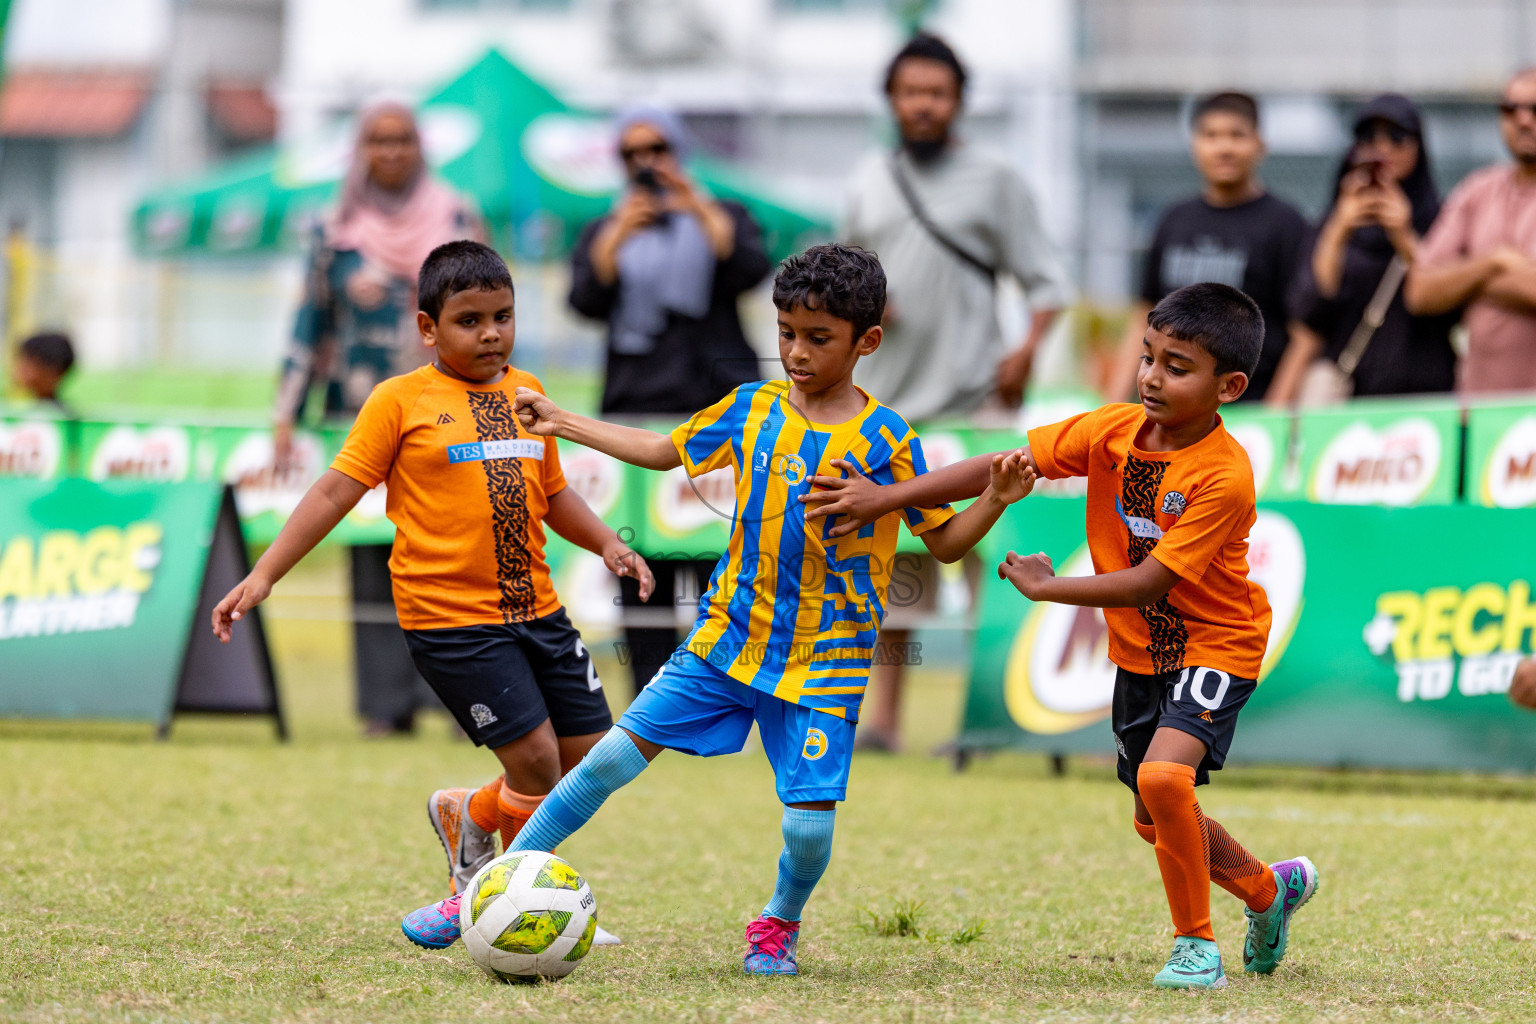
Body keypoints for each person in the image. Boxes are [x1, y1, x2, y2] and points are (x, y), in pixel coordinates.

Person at [399, 243, 1037, 975]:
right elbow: (664, 450)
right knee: (608, 758)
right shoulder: (752, 407)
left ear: (868, 342)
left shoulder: (890, 440)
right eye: (786, 332)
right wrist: (564, 423)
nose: (796, 352)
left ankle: (778, 923)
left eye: (817, 338)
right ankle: (484, 888)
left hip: (828, 660)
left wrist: (993, 497)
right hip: (727, 638)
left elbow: (947, 543)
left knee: (806, 830)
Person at [803, 283, 1319, 990]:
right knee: (1153, 817)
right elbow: (1001, 467)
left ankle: (1195, 948)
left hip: (1216, 644)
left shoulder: (1224, 476)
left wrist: (1050, 590)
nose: (1151, 377)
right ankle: (1266, 891)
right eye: (1148, 357)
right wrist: (884, 495)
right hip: (1140, 654)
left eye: (1176, 366)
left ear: (1229, 386)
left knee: (1164, 777)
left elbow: (1147, 585)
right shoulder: (1110, 429)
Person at [212, 241, 650, 946]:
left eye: (503, 317)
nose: (490, 334)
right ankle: (503, 898)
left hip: (537, 612)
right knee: (536, 763)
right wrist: (263, 574)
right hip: (452, 621)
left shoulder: (527, 390)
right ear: (427, 328)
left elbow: (555, 492)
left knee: (590, 758)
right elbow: (332, 491)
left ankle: (470, 815)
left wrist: (608, 543)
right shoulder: (399, 401)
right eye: (469, 321)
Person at [842, 33, 1071, 750]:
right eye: (911, 92)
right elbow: (837, 283)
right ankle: (884, 721)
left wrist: (1024, 354)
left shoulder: (996, 180)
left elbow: (1047, 283)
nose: (924, 105)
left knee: (983, 559)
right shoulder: (866, 181)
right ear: (892, 100)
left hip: (973, 401)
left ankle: (986, 718)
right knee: (893, 569)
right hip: (887, 407)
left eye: (937, 93)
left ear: (958, 102)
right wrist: (865, 307)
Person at [274, 101, 482, 736]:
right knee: (372, 562)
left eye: (402, 140)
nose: (390, 152)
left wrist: (499, 400)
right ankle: (384, 708)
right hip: (358, 414)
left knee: (455, 555)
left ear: (420, 148)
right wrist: (286, 409)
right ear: (360, 150)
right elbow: (310, 319)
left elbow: (492, 313)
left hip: (452, 418)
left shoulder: (458, 218)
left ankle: (464, 704)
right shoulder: (331, 226)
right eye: (377, 141)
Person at [569, 103, 772, 697]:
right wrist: (618, 234)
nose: (645, 164)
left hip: (715, 407)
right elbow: (584, 299)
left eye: (656, 149)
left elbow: (748, 268)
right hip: (635, 407)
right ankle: (652, 697)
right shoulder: (605, 226)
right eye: (631, 154)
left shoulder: (721, 213)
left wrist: (695, 204)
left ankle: (725, 689)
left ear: (678, 151)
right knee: (642, 559)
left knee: (721, 552)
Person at [1107, 92, 1309, 404]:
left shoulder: (1286, 224)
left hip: (1250, 408)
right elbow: (1141, 320)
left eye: (1237, 135)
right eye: (1211, 135)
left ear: (1260, 145)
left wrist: (1275, 414)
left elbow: (1304, 333)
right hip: (1172, 412)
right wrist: (1113, 407)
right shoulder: (1173, 220)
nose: (1224, 147)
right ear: (1194, 145)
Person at [1269, 94, 1458, 404]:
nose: (1382, 148)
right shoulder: (1332, 221)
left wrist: (1404, 235)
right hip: (1346, 399)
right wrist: (1339, 228)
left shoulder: (1443, 218)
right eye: (1368, 137)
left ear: (1418, 146)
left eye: (1397, 137)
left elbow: (1448, 302)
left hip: (1425, 397)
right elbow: (1310, 307)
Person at [1405, 69, 1536, 393]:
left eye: (1535, 109)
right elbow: (1420, 290)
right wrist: (1494, 261)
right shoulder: (1476, 191)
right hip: (1479, 415)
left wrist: (1467, 281)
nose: (1522, 120)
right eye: (1510, 109)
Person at [11, 332, 75, 414]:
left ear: (53, 371)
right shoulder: (25, 410)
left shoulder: (62, 418)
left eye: (28, 361)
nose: (20, 367)